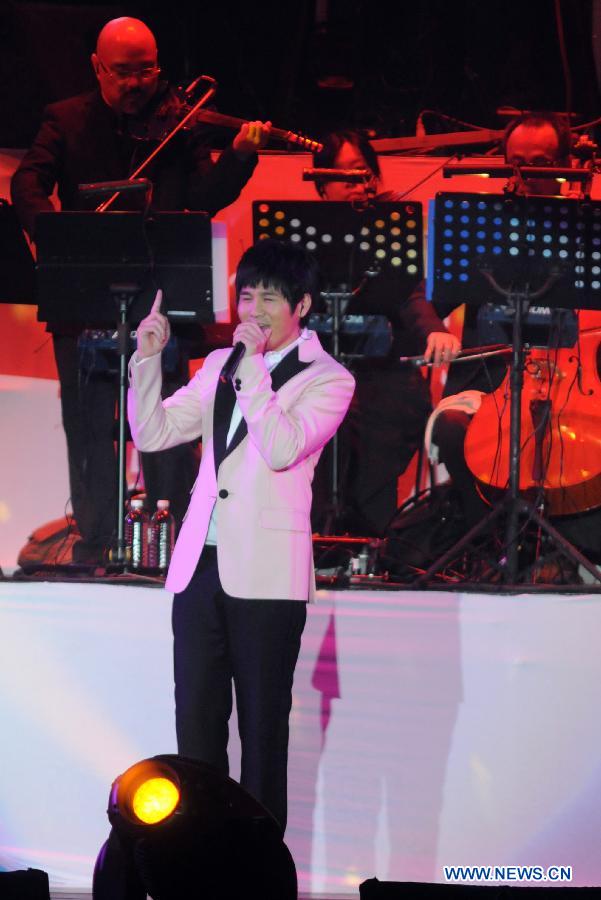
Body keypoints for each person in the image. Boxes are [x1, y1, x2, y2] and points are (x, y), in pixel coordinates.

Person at [11, 16, 270, 564]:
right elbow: (27, 181)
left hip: (161, 299)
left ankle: (169, 535)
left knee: (169, 419)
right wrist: (51, 233)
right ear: (98, 68)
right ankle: (99, 538)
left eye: (148, 71)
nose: (138, 85)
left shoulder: (180, 122)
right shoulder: (65, 119)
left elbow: (204, 197)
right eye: (124, 73)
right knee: (86, 424)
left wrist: (241, 156)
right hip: (84, 300)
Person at [128, 239, 355, 832]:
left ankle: (257, 872)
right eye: (246, 295)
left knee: (261, 733)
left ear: (301, 304)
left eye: (269, 297)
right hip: (199, 568)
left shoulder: (329, 379)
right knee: (196, 731)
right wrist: (147, 362)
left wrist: (250, 368)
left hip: (267, 577)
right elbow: (154, 433)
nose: (253, 308)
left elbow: (280, 447)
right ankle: (192, 862)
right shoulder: (217, 366)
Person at [311, 129, 460, 535]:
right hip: (318, 371)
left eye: (363, 173)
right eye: (343, 176)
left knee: (390, 417)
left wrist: (433, 330)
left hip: (383, 371)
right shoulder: (304, 236)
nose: (356, 184)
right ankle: (316, 542)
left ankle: (370, 546)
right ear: (321, 185)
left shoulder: (392, 227)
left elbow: (410, 293)